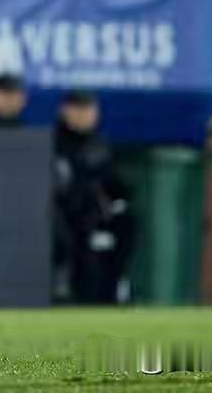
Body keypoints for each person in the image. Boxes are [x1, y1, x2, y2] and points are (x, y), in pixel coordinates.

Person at [52, 90, 132, 304]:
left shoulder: (100, 145)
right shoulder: (54, 144)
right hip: (67, 214)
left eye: (89, 109)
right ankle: (63, 286)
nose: (84, 115)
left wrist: (118, 206)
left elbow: (116, 186)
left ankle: (118, 287)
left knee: (127, 225)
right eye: (78, 109)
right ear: (65, 111)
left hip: (97, 215)